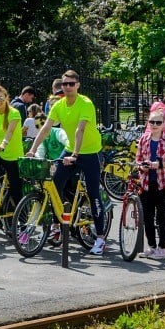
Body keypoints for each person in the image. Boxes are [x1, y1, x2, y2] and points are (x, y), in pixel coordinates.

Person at [28, 70, 109, 255]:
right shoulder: (59, 105)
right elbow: (46, 128)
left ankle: (100, 237)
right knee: (55, 184)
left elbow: (80, 130)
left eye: (71, 84)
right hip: (71, 150)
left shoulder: (85, 103)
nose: (68, 87)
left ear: (78, 85)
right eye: (65, 84)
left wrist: (75, 154)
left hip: (89, 152)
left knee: (93, 192)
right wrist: (33, 149)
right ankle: (58, 224)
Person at [134, 108, 165, 259]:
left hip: (163, 183)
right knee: (147, 216)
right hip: (146, 182)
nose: (154, 125)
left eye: (158, 122)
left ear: (163, 124)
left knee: (161, 216)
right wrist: (142, 166)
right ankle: (152, 246)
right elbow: (138, 159)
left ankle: (162, 248)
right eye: (151, 122)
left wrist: (160, 164)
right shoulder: (143, 139)